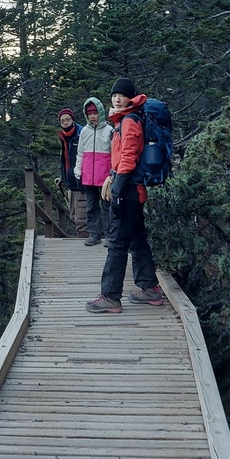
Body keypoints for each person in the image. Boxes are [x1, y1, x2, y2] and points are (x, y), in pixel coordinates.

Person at [85, 77, 163, 313]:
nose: (117, 98)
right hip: (134, 189)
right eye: (114, 95)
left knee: (117, 243)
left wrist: (118, 185)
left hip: (127, 188)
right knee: (137, 240)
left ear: (130, 97)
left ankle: (110, 296)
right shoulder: (129, 119)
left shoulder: (129, 121)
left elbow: (128, 156)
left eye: (122, 95)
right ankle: (150, 288)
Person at [74, 97, 113, 246]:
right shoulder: (84, 131)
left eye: (95, 113)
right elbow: (80, 153)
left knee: (107, 206)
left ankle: (109, 236)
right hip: (88, 176)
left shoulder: (109, 130)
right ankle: (94, 235)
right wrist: (78, 171)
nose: (92, 116)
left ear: (100, 113)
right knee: (91, 206)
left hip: (105, 177)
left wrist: (112, 173)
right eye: (89, 113)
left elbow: (114, 153)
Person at [57, 107, 87, 238]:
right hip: (70, 182)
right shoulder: (63, 137)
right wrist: (63, 178)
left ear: (73, 119)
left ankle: (85, 246)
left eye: (67, 119)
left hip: (82, 181)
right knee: (74, 214)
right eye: (62, 120)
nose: (65, 122)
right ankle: (84, 239)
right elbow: (66, 160)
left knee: (82, 217)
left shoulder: (82, 134)